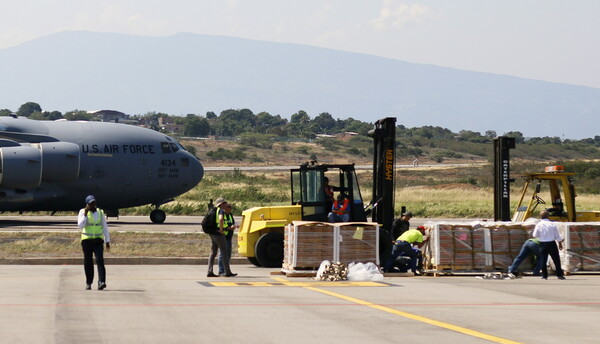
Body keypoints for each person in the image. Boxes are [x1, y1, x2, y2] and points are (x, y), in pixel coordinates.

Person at [77, 195, 110, 290]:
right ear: (87, 204)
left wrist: (107, 241)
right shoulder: (82, 212)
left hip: (98, 240)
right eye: (91, 203)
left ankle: (101, 282)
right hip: (86, 240)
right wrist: (85, 215)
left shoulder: (100, 212)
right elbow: (80, 225)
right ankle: (88, 282)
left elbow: (105, 227)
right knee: (88, 262)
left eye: (94, 203)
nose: (93, 205)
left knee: (100, 261)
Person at [207, 198, 237, 277]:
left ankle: (209, 271)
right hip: (218, 234)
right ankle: (227, 272)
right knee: (224, 252)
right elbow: (220, 219)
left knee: (213, 252)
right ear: (220, 204)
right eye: (224, 204)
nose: (225, 205)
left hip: (212, 233)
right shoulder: (220, 210)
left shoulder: (213, 210)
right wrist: (221, 229)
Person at [533, 210, 566, 280]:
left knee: (543, 260)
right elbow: (557, 235)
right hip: (551, 243)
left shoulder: (538, 225)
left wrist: (541, 236)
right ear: (548, 216)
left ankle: (544, 275)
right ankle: (560, 275)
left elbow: (535, 235)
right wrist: (560, 242)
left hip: (543, 243)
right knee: (556, 259)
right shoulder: (552, 224)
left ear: (540, 217)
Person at [218, 203, 236, 276]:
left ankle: (227, 270)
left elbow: (232, 223)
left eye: (230, 207)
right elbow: (221, 224)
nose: (230, 208)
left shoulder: (230, 215)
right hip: (223, 236)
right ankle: (221, 270)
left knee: (228, 254)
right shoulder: (222, 214)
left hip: (229, 237)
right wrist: (228, 228)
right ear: (225, 208)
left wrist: (233, 226)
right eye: (228, 207)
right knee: (222, 254)